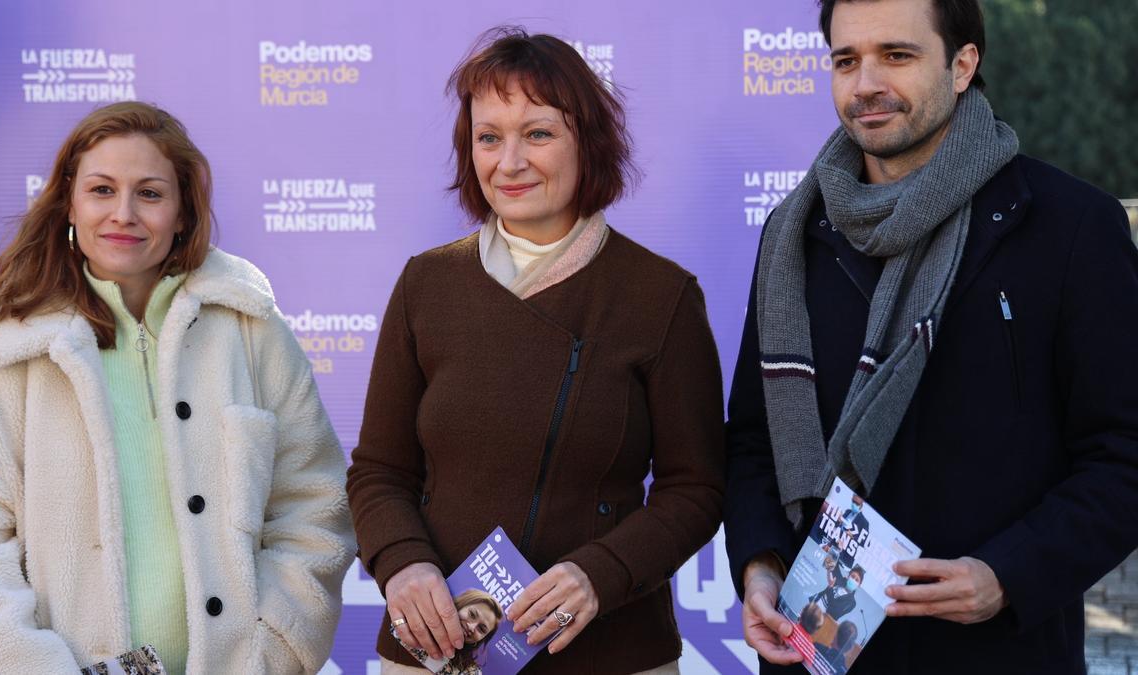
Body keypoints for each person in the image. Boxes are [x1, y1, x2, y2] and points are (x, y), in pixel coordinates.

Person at [723, 0, 1138, 673]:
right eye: (846, 60)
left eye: (898, 55)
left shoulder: (1069, 229)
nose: (866, 85)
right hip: (818, 652)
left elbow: (1124, 453)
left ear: (963, 64)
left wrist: (1007, 573)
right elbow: (751, 438)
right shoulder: (793, 236)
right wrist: (763, 563)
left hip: (999, 653)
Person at [346, 27, 725, 675]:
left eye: (539, 133)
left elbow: (696, 489)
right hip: (441, 649)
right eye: (489, 137)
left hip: (609, 649)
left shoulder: (661, 295)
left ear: (590, 144)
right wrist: (404, 564)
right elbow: (380, 470)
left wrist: (599, 573)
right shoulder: (425, 283)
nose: (509, 161)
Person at [0, 102, 355, 674]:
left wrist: (274, 652)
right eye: (102, 190)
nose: (124, 214)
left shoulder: (251, 328)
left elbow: (313, 505)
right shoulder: (7, 350)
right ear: (70, 202)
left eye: (150, 194)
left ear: (183, 212)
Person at [393, 590, 502, 674]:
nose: (472, 627)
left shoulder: (471, 672)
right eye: (472, 614)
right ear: (459, 605)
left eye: (481, 629)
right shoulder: (413, 623)